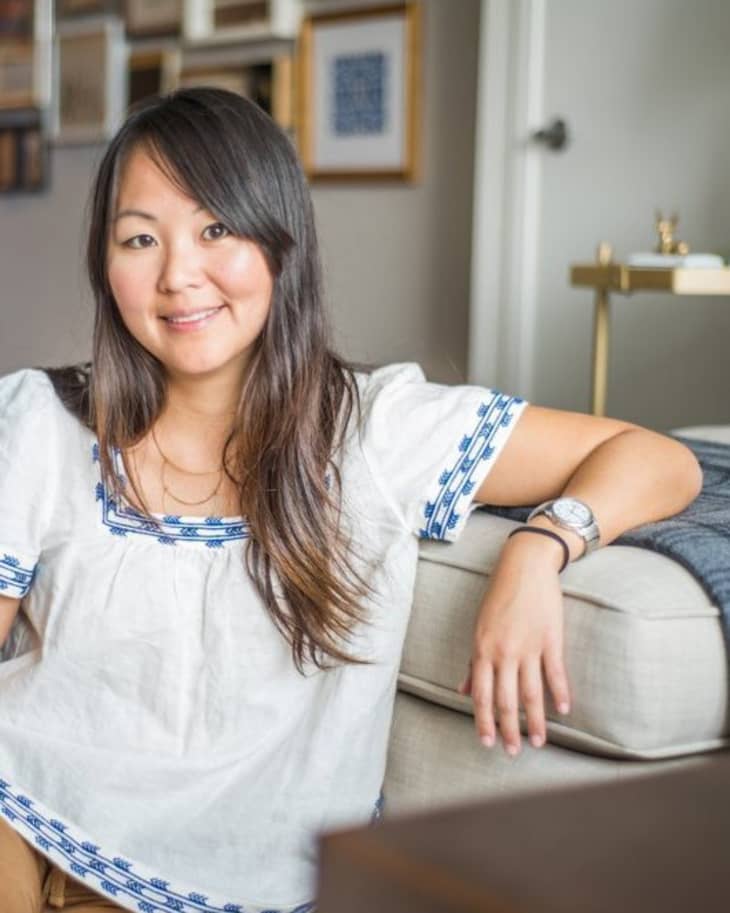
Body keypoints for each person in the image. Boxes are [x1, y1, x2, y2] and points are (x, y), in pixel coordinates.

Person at [0, 87, 701, 913]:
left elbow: (656, 458)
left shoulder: (378, 429)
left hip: (243, 881)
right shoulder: (38, 420)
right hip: (20, 823)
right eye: (139, 238)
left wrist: (540, 546)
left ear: (279, 241)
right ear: (104, 264)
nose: (178, 273)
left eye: (215, 228)